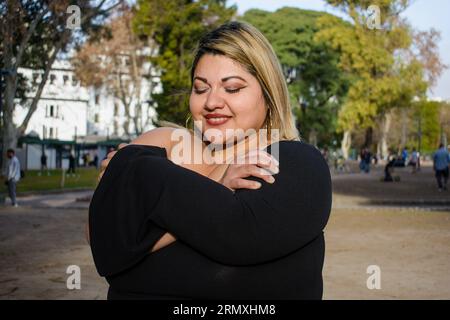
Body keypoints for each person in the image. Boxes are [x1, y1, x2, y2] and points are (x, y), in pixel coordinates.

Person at [89, 21, 332, 300]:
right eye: (201, 88)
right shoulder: (166, 141)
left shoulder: (291, 161)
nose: (212, 102)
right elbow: (103, 239)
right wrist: (218, 182)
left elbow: (237, 239)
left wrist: (144, 181)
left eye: (232, 88)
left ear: (268, 94)